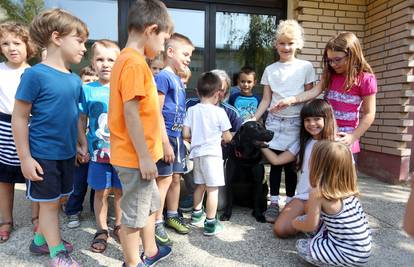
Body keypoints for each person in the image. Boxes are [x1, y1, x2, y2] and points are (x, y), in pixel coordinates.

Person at [12, 9, 88, 266]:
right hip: (43, 154)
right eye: (79, 40)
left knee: (57, 200)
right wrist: (25, 157)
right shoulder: (35, 75)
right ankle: (57, 253)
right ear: (57, 37)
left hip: (66, 153)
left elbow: (74, 115)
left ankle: (40, 242)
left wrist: (81, 143)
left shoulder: (75, 80)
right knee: (49, 205)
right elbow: (20, 117)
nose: (84, 48)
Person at [108, 0, 173, 266]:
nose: (163, 48)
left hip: (140, 155)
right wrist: (145, 157)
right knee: (133, 218)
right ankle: (132, 262)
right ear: (151, 30)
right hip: (136, 158)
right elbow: (131, 113)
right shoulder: (134, 63)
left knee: (149, 205)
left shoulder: (130, 60)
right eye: (164, 40)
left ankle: (152, 251)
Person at [271, 31, 377, 157]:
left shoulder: (366, 79)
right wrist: (291, 100)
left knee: (343, 176)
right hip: (325, 135)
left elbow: (369, 114)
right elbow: (314, 91)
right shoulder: (330, 75)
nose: (333, 64)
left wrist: (353, 136)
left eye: (337, 59)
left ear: (352, 55)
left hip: (345, 140)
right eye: (329, 60)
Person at [253, 19, 315, 223]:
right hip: (274, 123)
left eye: (290, 43)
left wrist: (306, 120)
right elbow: (266, 99)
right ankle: (273, 202)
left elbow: (310, 96)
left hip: (296, 123)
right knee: (275, 165)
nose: (286, 47)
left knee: (290, 166)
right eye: (282, 43)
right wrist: (255, 118)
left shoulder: (306, 67)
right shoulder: (270, 69)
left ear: (298, 44)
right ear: (276, 44)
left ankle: (290, 201)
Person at [261, 99, 335, 238]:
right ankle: (311, 223)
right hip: (303, 198)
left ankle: (314, 223)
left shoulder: (337, 144)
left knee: (323, 228)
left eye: (317, 119)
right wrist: (260, 144)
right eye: (307, 120)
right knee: (280, 229)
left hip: (327, 199)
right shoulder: (303, 143)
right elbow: (277, 161)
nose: (312, 124)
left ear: (327, 118)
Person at [294, 140, 372, 266]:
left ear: (317, 165)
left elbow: (310, 226)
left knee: (301, 244)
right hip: (362, 251)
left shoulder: (318, 192)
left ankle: (333, 262)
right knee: (313, 222)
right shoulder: (348, 189)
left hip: (347, 255)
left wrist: (295, 223)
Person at [78, 39, 122, 253]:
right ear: (92, 62)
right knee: (101, 192)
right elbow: (80, 121)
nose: (105, 64)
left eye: (111, 59)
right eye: (100, 59)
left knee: (121, 191)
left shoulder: (124, 88)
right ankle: (102, 229)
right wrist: (83, 145)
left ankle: (120, 226)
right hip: (97, 154)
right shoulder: (87, 90)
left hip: (123, 154)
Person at [181, 69, 242, 212]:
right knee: (212, 190)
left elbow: (184, 133)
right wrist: (222, 136)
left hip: (199, 154)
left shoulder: (194, 110)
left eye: (222, 89)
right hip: (212, 155)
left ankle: (196, 214)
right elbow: (229, 138)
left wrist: (195, 136)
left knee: (202, 187)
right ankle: (210, 221)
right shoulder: (219, 112)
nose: (218, 93)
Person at [0, 21, 39, 243]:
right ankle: (6, 220)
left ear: (28, 45)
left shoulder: (34, 73)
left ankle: (36, 218)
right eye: (5, 43)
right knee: (4, 178)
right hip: (3, 127)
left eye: (17, 42)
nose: (11, 48)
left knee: (34, 175)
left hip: (31, 127)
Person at [154, 33, 194, 245]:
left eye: (190, 56)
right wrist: (164, 142)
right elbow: (156, 111)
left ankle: (171, 215)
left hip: (177, 137)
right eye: (185, 54)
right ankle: (157, 221)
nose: (188, 59)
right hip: (166, 138)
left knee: (176, 178)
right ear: (170, 52)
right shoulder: (163, 77)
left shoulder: (178, 79)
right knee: (164, 179)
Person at [65, 65, 98, 229]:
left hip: (99, 150)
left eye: (94, 80)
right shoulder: (78, 102)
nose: (90, 83)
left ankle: (95, 209)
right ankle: (73, 210)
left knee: (98, 185)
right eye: (87, 81)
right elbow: (76, 125)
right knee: (78, 183)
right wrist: (78, 147)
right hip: (82, 150)